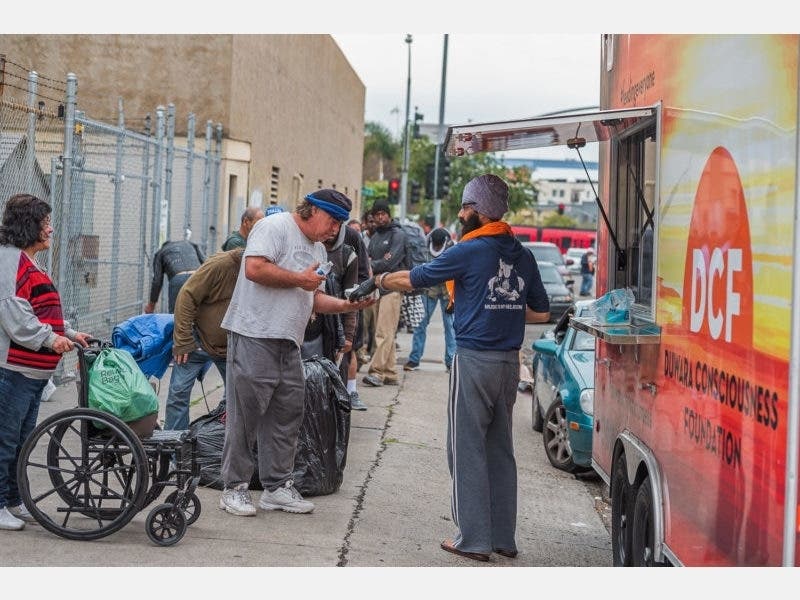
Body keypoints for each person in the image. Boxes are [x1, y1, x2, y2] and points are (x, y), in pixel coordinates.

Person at [348, 174, 550, 561]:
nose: (460, 214)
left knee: (466, 449)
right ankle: (502, 538)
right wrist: (501, 310)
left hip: (474, 360)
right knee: (500, 449)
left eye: (464, 207)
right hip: (509, 364)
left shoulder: (468, 251)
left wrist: (377, 279)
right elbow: (540, 311)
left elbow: (416, 278)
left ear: (477, 211)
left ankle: (472, 539)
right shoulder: (521, 254)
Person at [218, 189, 375, 517]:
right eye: (332, 221)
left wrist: (348, 304)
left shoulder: (317, 247)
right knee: (245, 416)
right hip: (254, 333)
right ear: (312, 211)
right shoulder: (274, 228)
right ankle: (234, 489)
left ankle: (277, 488)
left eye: (340, 224)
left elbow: (313, 297)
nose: (335, 230)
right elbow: (255, 269)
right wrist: (299, 280)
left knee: (288, 414)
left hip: (289, 341)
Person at [0, 193, 91, 531]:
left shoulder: (27, 260)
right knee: (5, 441)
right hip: (12, 370)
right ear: (29, 225)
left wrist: (68, 331)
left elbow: (40, 309)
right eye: (45, 223)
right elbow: (14, 314)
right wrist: (50, 339)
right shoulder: (9, 260)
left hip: (32, 374)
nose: (51, 230)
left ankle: (12, 498)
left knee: (21, 442)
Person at [164, 246, 246, 430]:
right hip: (198, 340)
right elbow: (186, 295)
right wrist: (183, 341)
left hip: (232, 347)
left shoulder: (265, 271)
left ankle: (219, 446)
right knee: (178, 393)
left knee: (237, 399)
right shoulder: (221, 265)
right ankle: (176, 450)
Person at [361, 200, 406, 388]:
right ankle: (390, 372)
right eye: (376, 214)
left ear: (389, 214)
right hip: (379, 287)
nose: (380, 217)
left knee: (383, 332)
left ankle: (377, 372)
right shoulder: (376, 236)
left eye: (383, 213)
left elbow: (389, 261)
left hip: (393, 287)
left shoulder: (398, 235)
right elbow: (371, 259)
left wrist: (373, 263)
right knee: (387, 331)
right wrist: (375, 262)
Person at [403, 227, 456, 373]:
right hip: (429, 290)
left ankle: (451, 361)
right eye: (436, 246)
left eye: (440, 247)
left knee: (450, 328)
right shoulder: (425, 246)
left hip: (447, 292)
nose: (437, 248)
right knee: (420, 324)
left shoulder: (453, 248)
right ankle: (414, 359)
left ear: (445, 243)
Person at [145, 229, 206, 313]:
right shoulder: (190, 244)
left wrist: (151, 306)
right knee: (200, 314)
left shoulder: (160, 252)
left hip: (178, 279)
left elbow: (157, 281)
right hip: (198, 277)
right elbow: (205, 262)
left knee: (176, 317)